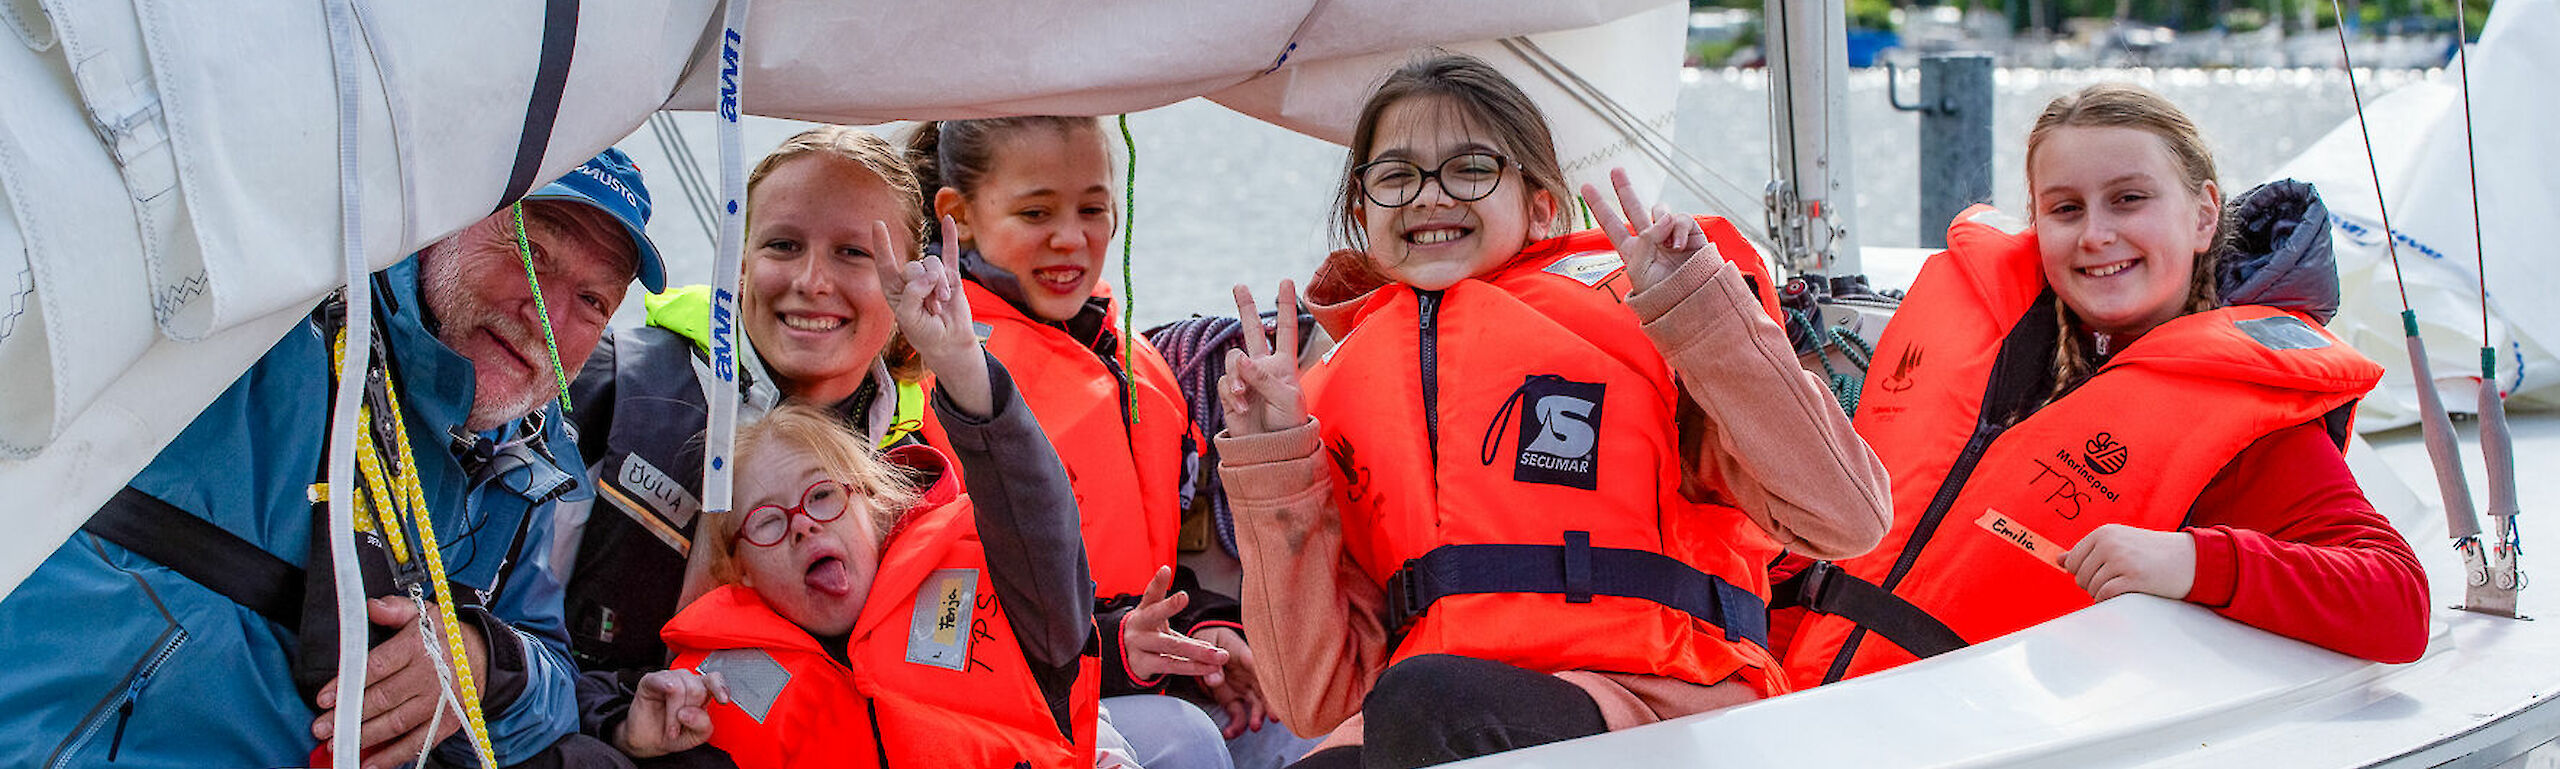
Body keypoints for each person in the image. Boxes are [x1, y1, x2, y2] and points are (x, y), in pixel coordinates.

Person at [1216, 52, 1891, 769]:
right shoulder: (1334, 394)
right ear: (1361, 212)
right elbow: (1313, 698)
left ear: (1542, 206)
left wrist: (1702, 317)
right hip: (1434, 715)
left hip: (1655, 703)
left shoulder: (1651, 325)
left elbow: (1850, 517)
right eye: (1395, 177)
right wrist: (1274, 460)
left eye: (1471, 168)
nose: (1428, 197)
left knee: (1426, 703)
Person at [0, 149, 667, 769]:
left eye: (592, 301)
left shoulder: (526, 473)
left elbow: (551, 679)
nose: (543, 315)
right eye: (531, 251)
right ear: (446, 224)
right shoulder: (281, 302)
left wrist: (485, 659)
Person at [1779, 83, 2428, 689]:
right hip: (1810, 702)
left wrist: (2193, 562)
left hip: (1981, 734)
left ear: (2204, 216)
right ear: (2037, 222)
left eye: (2129, 199)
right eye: (2067, 208)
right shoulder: (1991, 345)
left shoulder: (2244, 426)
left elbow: (2399, 600)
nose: (2096, 235)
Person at [630, 225, 1100, 769]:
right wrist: (630, 739)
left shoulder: (1024, 598)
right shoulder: (711, 693)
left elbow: (1036, 514)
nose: (803, 525)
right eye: (765, 522)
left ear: (874, 506)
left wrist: (960, 363)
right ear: (743, 571)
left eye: (823, 495)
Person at [909, 118, 1288, 769]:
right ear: (958, 216)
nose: (1070, 237)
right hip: (1020, 702)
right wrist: (1117, 646)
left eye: (1094, 208)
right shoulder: (937, 376)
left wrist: (1201, 630)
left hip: (1145, 668)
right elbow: (939, 626)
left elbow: (1152, 569)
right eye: (1035, 211)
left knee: (1300, 722)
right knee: (1190, 741)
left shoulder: (1135, 361)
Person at [554, 126, 933, 678]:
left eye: (854, 252)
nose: (812, 281)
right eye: (783, 245)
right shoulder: (609, 390)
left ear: (907, 281)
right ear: (740, 263)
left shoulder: (918, 467)